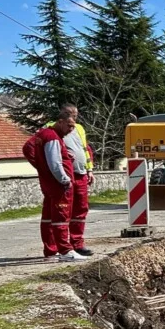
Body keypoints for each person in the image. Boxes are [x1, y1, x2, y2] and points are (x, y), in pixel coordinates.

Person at [35, 111, 88, 262]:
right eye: (69, 126)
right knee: (61, 217)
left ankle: (51, 251)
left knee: (49, 218)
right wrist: (65, 179)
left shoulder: (44, 135)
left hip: (51, 183)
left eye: (74, 127)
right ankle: (65, 250)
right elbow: (55, 163)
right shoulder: (52, 137)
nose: (71, 130)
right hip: (59, 185)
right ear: (60, 122)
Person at [45, 104, 94, 257]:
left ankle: (77, 243)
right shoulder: (50, 128)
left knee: (81, 209)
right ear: (62, 117)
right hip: (65, 176)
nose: (74, 116)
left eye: (76, 113)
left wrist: (90, 169)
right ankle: (57, 247)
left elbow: (85, 149)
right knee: (61, 211)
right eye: (70, 113)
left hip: (81, 173)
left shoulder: (78, 128)